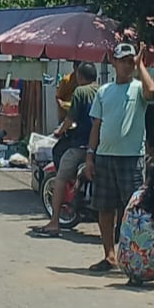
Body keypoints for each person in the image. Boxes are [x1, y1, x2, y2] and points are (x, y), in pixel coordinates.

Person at [85, 42, 154, 273]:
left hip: (131, 158)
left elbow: (152, 91)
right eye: (123, 61)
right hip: (105, 156)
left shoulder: (137, 88)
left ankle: (134, 259)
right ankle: (110, 256)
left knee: (133, 210)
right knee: (105, 208)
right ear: (114, 62)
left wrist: (141, 65)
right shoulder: (104, 91)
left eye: (130, 61)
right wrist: (90, 155)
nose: (127, 65)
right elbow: (96, 126)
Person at [30, 62, 99, 237]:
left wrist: (60, 131)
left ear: (79, 76)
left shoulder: (80, 92)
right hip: (101, 146)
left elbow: (71, 117)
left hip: (82, 145)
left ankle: (54, 223)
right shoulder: (103, 91)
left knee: (60, 178)